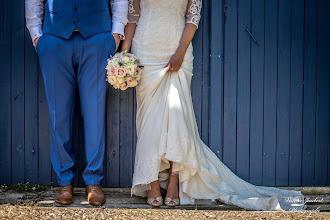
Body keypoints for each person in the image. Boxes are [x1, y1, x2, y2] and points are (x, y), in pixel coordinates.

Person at [122, 0, 307, 211]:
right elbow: (133, 16)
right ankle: (151, 182)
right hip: (145, 52)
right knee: (149, 120)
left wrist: (180, 52)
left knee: (177, 119)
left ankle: (174, 180)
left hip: (177, 49)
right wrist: (125, 53)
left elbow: (192, 17)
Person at [25, 0, 128, 206]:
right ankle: (65, 182)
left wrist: (115, 35)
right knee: (58, 114)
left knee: (94, 112)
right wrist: (37, 36)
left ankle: (93, 181)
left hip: (97, 38)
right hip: (55, 40)